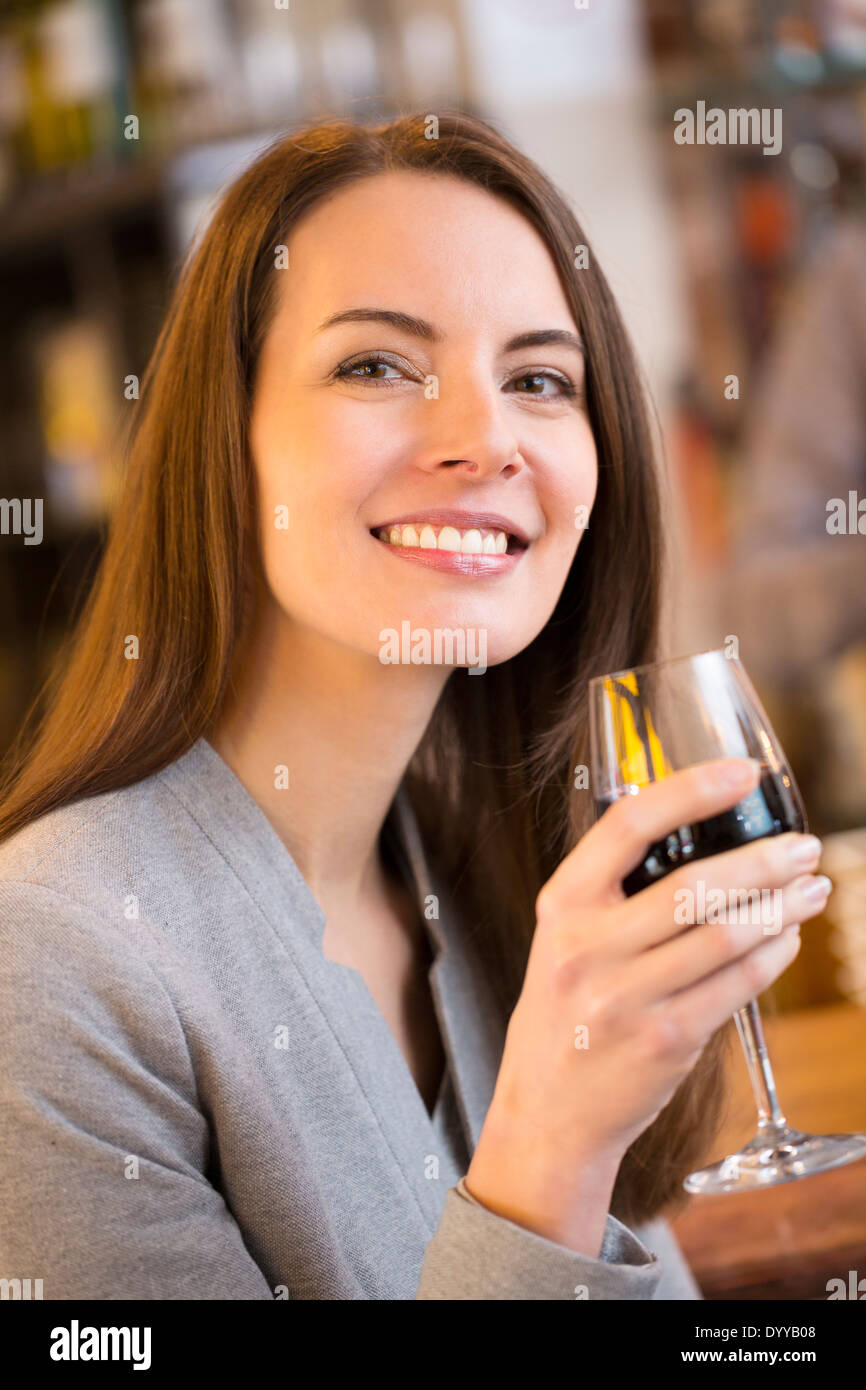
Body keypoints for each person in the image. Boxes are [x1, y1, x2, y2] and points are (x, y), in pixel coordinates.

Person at [0, 112, 824, 1301]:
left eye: (538, 379)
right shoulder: (55, 960)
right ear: (221, 440)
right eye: (376, 365)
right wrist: (552, 1147)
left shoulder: (497, 860)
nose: (483, 439)